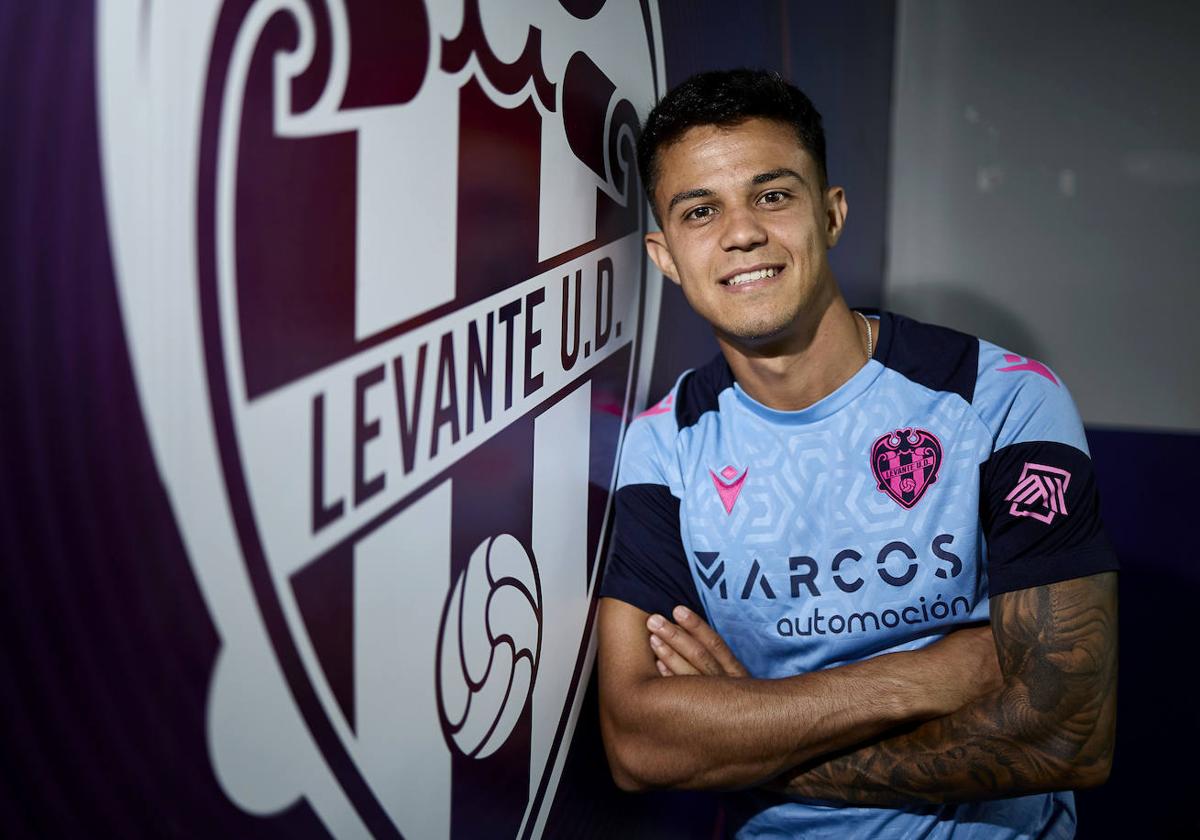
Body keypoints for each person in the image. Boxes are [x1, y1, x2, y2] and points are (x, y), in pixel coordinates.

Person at [596, 69, 1118, 838]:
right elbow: (639, 744)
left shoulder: (1002, 400)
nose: (742, 232)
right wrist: (933, 673)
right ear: (665, 255)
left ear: (831, 214)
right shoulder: (663, 445)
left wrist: (752, 749)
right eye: (700, 211)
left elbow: (1067, 731)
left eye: (773, 195)